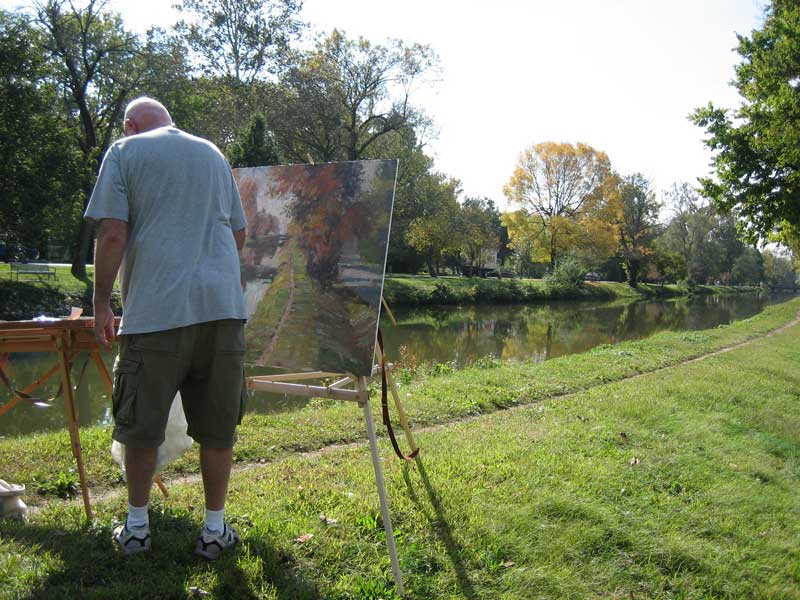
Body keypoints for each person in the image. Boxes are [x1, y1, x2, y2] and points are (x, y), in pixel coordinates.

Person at [85, 97, 248, 559]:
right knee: (217, 431)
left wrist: (101, 302)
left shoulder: (124, 151)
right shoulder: (214, 154)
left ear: (131, 125)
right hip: (222, 313)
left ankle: (137, 529)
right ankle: (214, 531)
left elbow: (113, 232)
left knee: (140, 427)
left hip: (156, 313)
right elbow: (238, 234)